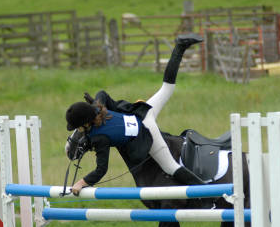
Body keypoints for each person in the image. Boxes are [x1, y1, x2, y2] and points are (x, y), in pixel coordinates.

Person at [65, 33, 205, 195]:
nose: (79, 130)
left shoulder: (99, 138)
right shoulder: (99, 107)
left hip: (147, 131)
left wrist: (82, 182)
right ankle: (180, 46)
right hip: (143, 113)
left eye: (79, 127)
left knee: (171, 167)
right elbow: (102, 93)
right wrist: (94, 102)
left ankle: (211, 195)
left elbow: (101, 170)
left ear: (86, 123)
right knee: (167, 88)